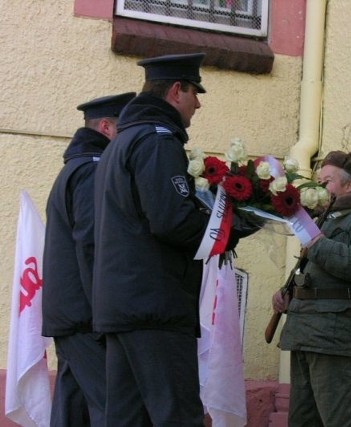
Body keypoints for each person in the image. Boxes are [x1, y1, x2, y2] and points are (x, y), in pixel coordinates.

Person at [92, 53, 211, 426]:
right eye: (195, 92)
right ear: (177, 91)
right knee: (178, 416)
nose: (198, 103)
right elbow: (172, 221)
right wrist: (230, 227)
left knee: (126, 419)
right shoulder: (158, 140)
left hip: (123, 305)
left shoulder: (121, 142)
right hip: (156, 306)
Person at [272, 151, 351, 427]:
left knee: (338, 419)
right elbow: (314, 271)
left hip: (332, 333)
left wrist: (319, 244)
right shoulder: (324, 218)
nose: (318, 188)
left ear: (349, 185)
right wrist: (288, 292)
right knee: (302, 420)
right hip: (304, 328)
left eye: (326, 181)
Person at [42, 91, 136, 427]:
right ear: (108, 128)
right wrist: (105, 313)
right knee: (114, 409)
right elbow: (94, 245)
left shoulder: (76, 168)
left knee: (73, 411)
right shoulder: (93, 172)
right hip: (85, 317)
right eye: (125, 128)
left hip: (70, 314)